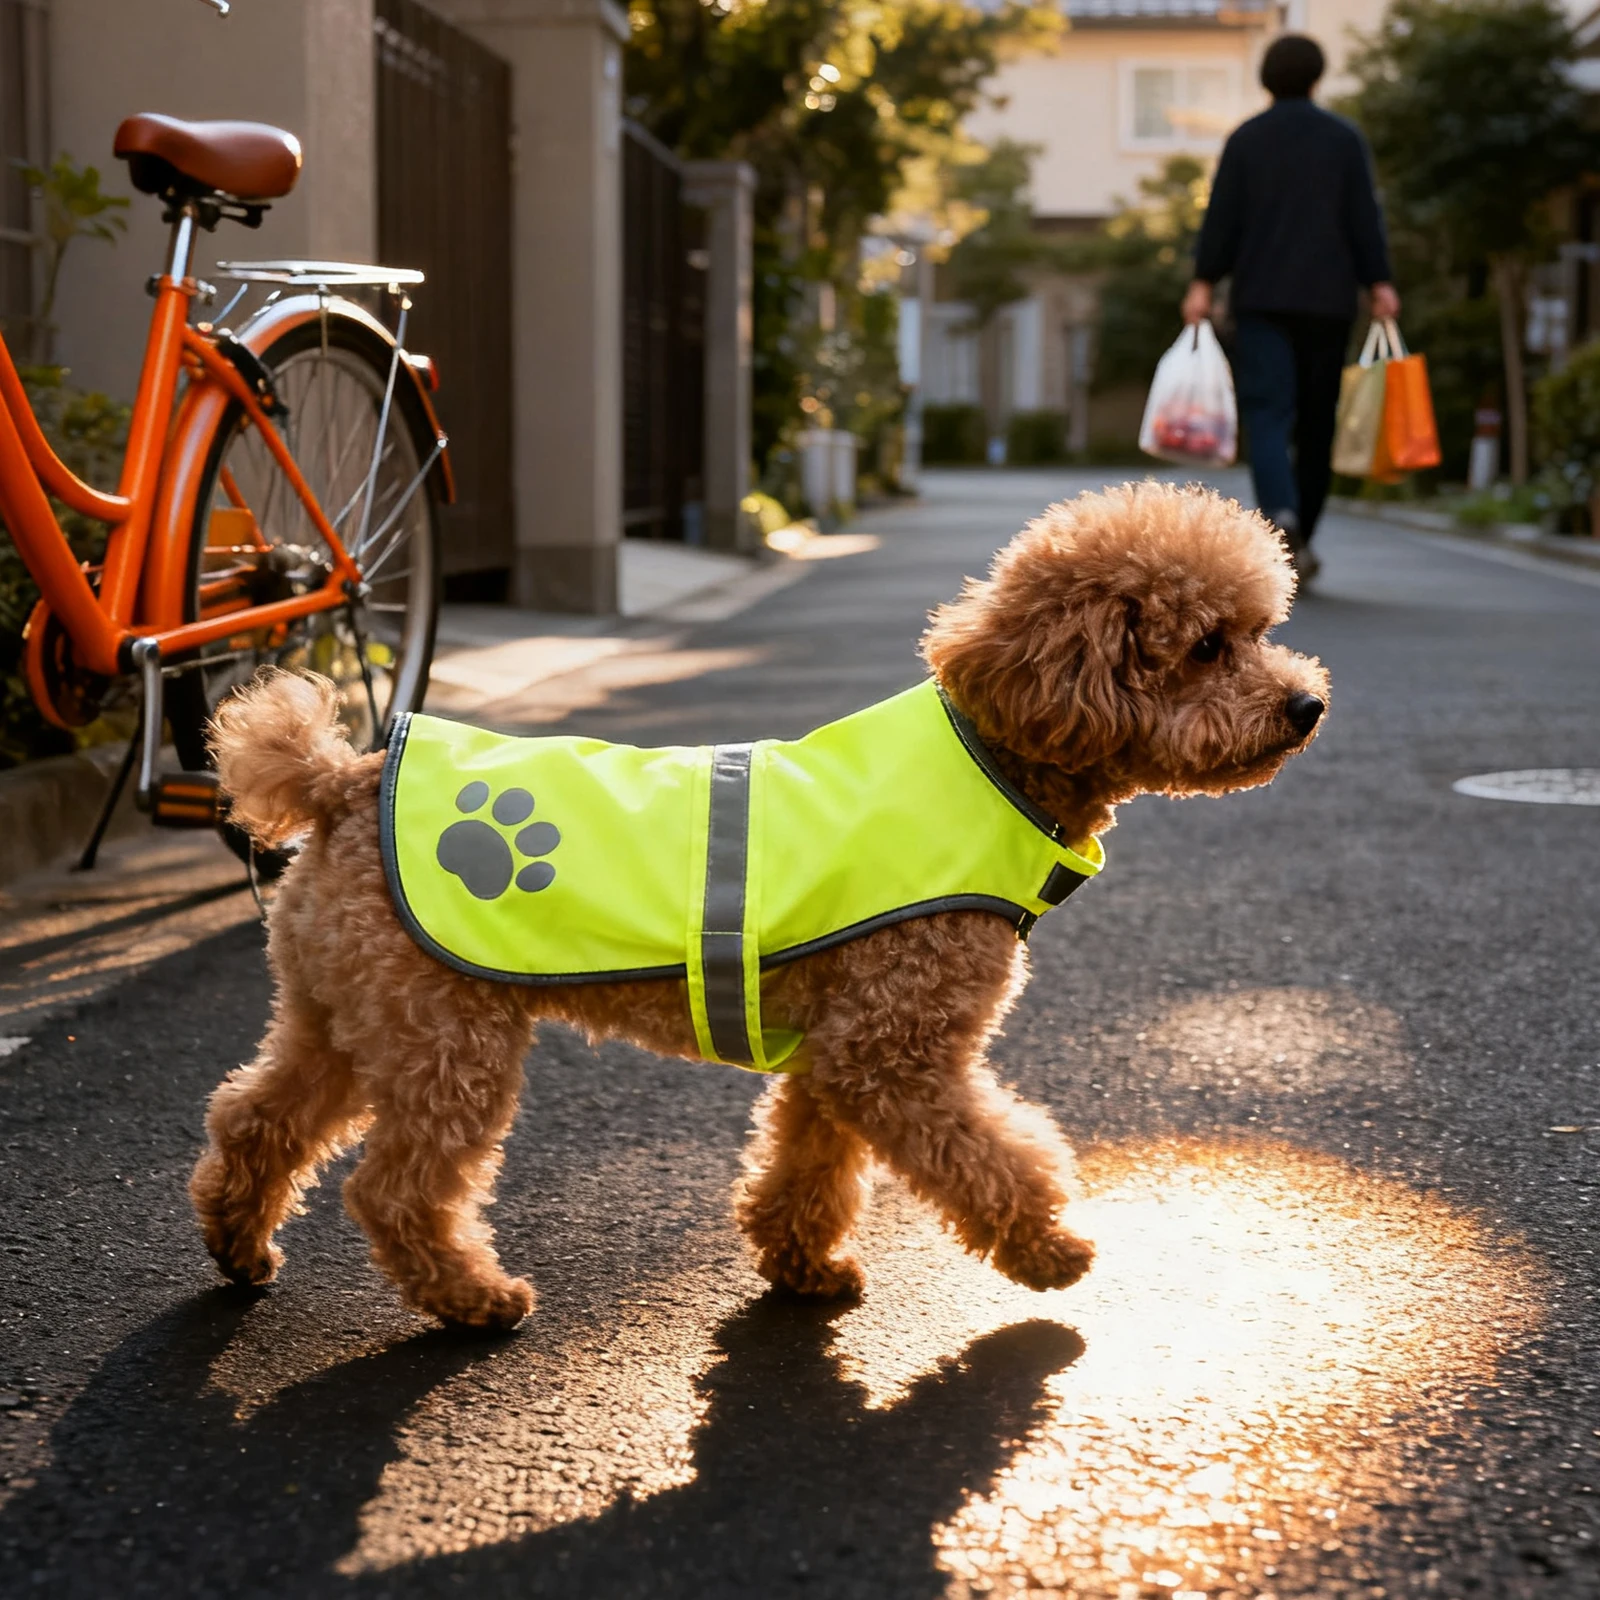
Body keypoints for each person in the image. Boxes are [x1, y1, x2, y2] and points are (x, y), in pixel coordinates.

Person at [1183, 33, 1399, 582]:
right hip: (1328, 301)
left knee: (1268, 413)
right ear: (1316, 78)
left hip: (1261, 300)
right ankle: (1303, 529)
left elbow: (1221, 220)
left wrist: (1203, 282)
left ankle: (1281, 520)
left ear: (1266, 81)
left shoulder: (1246, 140)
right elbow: (1363, 219)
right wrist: (1380, 282)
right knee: (1318, 420)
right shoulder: (1344, 140)